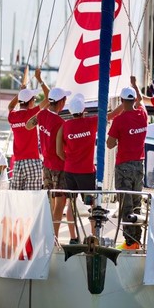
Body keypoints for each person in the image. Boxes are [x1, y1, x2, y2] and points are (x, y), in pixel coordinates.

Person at [107, 81, 148, 250]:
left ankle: (130, 242)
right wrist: (136, 85)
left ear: (122, 101)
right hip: (139, 165)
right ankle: (136, 240)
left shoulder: (119, 120)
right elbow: (142, 103)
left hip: (124, 165)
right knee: (137, 203)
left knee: (126, 205)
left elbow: (110, 144)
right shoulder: (143, 115)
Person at [56, 93, 97, 243]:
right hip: (86, 171)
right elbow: (110, 116)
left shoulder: (65, 126)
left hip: (70, 170)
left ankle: (73, 238)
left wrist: (70, 160)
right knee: (92, 205)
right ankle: (93, 236)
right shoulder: (92, 122)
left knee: (70, 204)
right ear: (84, 109)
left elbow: (59, 151)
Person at [27, 85, 70, 209]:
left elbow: (28, 125)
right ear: (61, 102)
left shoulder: (41, 115)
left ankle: (48, 227)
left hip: (46, 165)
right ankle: (54, 228)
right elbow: (59, 151)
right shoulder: (61, 123)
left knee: (49, 201)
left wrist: (43, 111)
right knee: (60, 203)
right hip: (58, 166)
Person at [7, 68, 49, 190]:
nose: (35, 101)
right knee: (32, 198)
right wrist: (40, 79)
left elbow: (10, 106)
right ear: (30, 102)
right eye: (34, 100)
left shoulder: (12, 116)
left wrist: (20, 93)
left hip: (18, 163)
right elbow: (48, 98)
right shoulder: (32, 113)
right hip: (32, 161)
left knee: (16, 197)